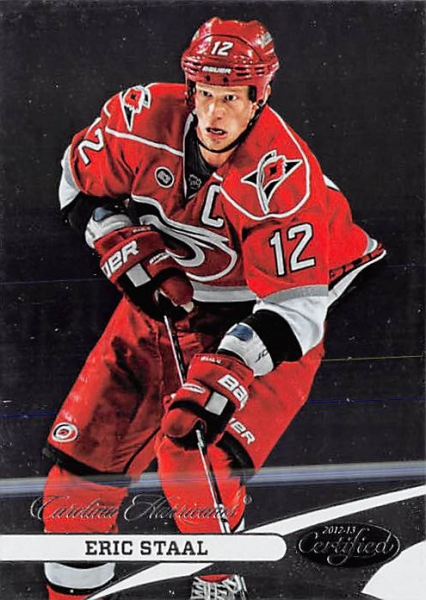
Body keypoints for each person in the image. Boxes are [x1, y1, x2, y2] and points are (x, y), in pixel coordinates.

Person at [42, 16, 386, 600]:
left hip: (258, 316)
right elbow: (75, 182)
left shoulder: (282, 171)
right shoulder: (140, 116)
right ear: (190, 88)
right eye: (205, 93)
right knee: (73, 492)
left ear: (259, 97)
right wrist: (111, 230)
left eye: (231, 97)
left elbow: (299, 310)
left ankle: (221, 582)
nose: (214, 113)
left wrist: (231, 364)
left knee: (193, 462)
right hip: (161, 312)